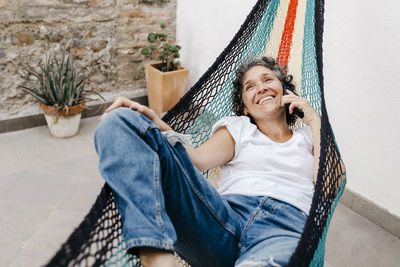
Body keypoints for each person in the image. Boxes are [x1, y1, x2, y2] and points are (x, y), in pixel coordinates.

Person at [95, 56, 321, 267]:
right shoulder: (238, 128)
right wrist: (155, 121)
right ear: (244, 107)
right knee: (119, 120)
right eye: (249, 86)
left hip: (284, 229)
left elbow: (329, 185)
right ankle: (155, 254)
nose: (260, 87)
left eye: (268, 80)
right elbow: (197, 160)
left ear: (286, 91)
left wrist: (314, 120)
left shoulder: (310, 137)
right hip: (222, 220)